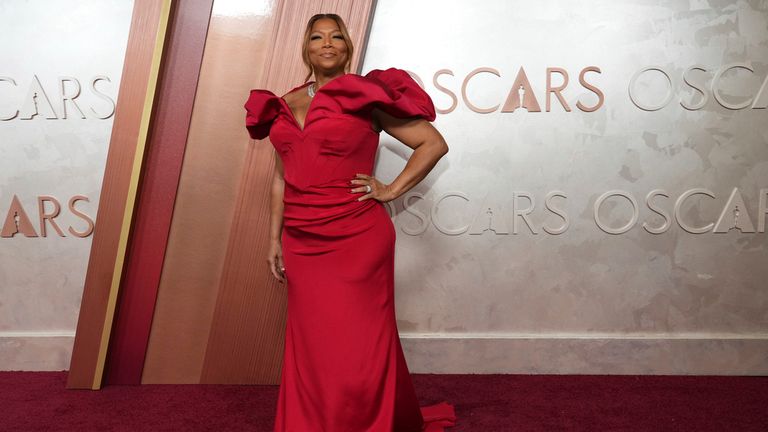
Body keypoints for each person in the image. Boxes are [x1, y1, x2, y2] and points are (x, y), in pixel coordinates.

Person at [244, 13, 457, 432]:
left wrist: (390, 189)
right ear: (305, 47)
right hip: (302, 241)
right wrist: (274, 239)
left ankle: (368, 422)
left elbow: (432, 143)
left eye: (336, 36)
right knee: (315, 342)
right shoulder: (285, 103)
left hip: (357, 235)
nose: (327, 43)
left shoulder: (365, 97)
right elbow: (280, 175)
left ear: (348, 47)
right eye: (317, 37)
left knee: (358, 340)